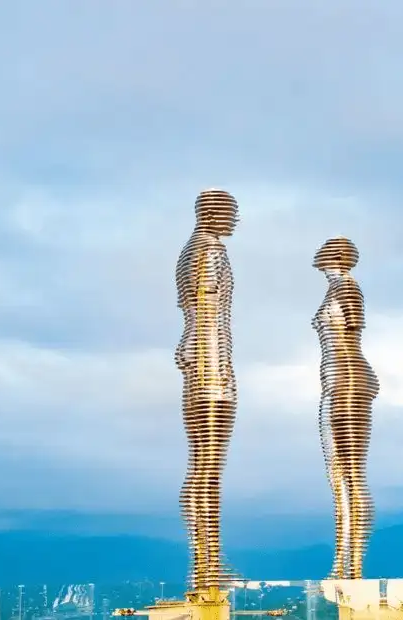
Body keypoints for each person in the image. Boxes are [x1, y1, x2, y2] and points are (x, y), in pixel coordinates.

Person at [175, 189, 238, 590]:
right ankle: (208, 567)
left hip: (198, 363)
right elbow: (210, 312)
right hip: (211, 368)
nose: (235, 219)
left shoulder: (189, 250)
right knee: (209, 470)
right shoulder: (210, 252)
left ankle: (206, 565)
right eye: (231, 211)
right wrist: (220, 369)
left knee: (201, 468)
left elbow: (192, 310)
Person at [312, 236, 379, 580]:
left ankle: (354, 565)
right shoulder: (335, 289)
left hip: (349, 382)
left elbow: (352, 331)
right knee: (337, 477)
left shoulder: (349, 289)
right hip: (334, 383)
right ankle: (342, 561)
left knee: (352, 475)